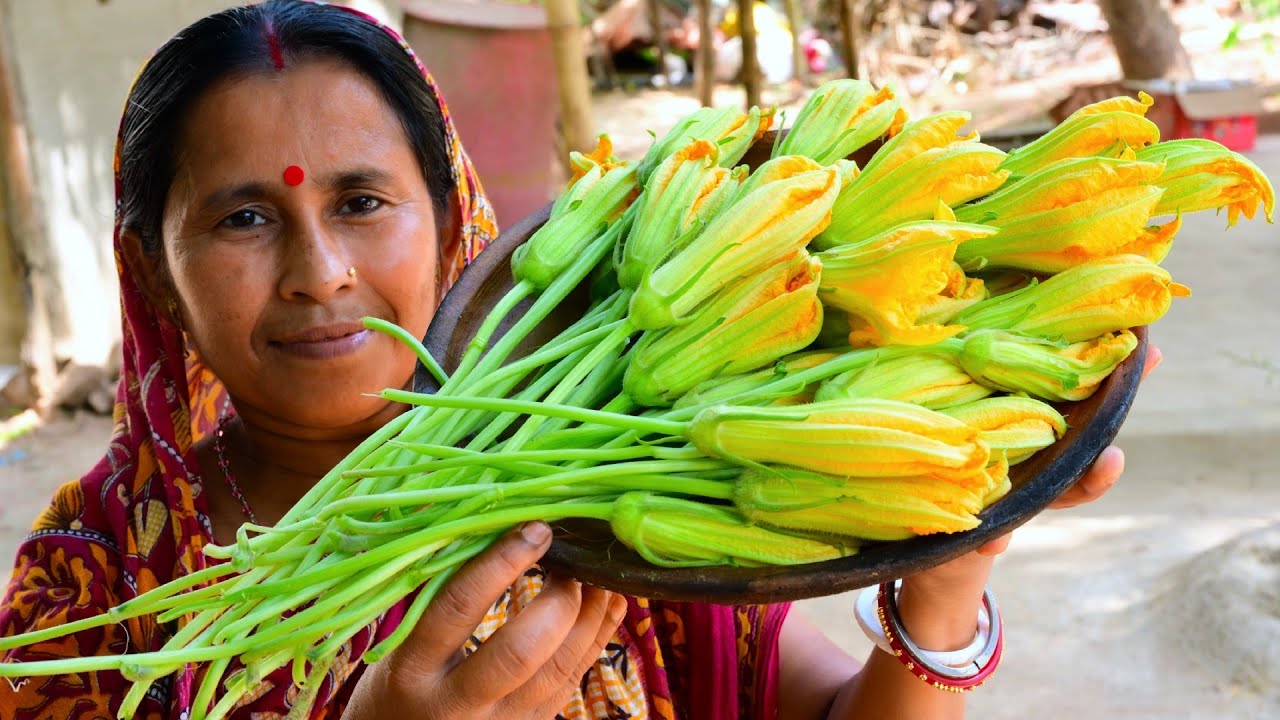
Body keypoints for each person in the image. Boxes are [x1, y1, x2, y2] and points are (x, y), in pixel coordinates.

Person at [0, 2, 1158, 718]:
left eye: (362, 201)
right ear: (153, 273)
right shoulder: (92, 582)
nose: (318, 271)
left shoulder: (600, 483)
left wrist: (948, 576)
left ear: (453, 220)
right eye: (244, 219)